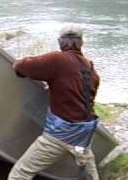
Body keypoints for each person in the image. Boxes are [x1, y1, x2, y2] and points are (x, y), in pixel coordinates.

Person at [8, 25, 100, 180]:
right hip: (84, 134)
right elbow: (81, 96)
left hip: (60, 134)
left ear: (60, 42)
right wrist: (54, 86)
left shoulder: (57, 59)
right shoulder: (90, 69)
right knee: (89, 175)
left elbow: (21, 66)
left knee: (19, 174)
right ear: (81, 43)